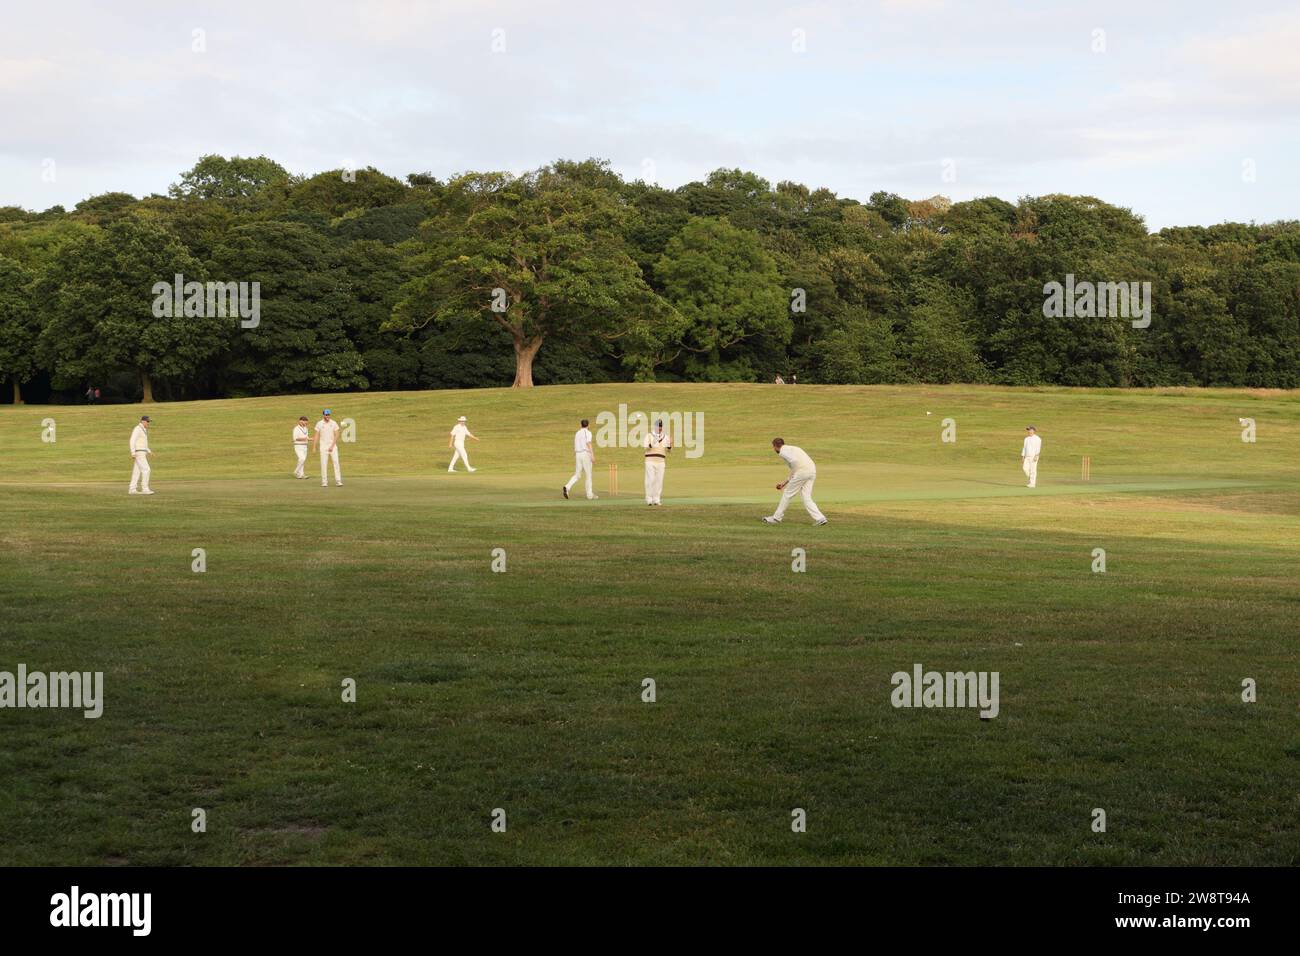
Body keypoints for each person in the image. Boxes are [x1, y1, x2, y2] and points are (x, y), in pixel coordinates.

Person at [761, 437, 826, 525]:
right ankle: (820, 518)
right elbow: (795, 467)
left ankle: (776, 518)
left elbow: (794, 463)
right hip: (812, 470)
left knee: (787, 494)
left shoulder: (782, 452)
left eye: (773, 447)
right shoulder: (793, 448)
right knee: (806, 497)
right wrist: (784, 482)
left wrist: (796, 474)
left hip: (802, 472)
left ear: (775, 446)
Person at [563, 418, 596, 500]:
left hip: (578, 454)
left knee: (577, 475)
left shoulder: (577, 433)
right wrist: (592, 455)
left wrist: (576, 453)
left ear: (581, 425)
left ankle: (567, 487)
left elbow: (575, 444)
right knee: (588, 475)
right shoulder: (588, 432)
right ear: (588, 425)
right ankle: (589, 495)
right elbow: (588, 443)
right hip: (585, 454)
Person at [643, 418, 672, 506]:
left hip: (661, 461)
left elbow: (669, 451)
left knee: (659, 480)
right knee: (650, 480)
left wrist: (670, 446)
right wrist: (652, 443)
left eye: (660, 427)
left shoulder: (665, 437)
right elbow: (645, 447)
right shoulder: (649, 435)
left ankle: (656, 499)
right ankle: (649, 499)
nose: (659, 429)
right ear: (654, 427)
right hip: (650, 460)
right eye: (657, 427)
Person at [312, 408, 342, 487]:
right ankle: (324, 482)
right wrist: (314, 447)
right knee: (323, 464)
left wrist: (332, 446)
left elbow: (337, 434)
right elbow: (316, 435)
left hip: (333, 446)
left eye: (328, 414)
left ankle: (338, 481)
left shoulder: (334, 423)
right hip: (323, 447)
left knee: (336, 463)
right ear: (323, 415)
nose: (327, 416)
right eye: (326, 415)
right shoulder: (319, 423)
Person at [128, 415, 153, 495]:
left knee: (137, 471)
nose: (148, 423)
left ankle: (132, 489)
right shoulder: (137, 429)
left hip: (142, 452)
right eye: (147, 421)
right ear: (143, 421)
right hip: (139, 452)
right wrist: (133, 452)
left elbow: (143, 443)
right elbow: (132, 440)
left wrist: (149, 451)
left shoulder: (143, 429)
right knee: (146, 469)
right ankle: (145, 489)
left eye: (149, 422)